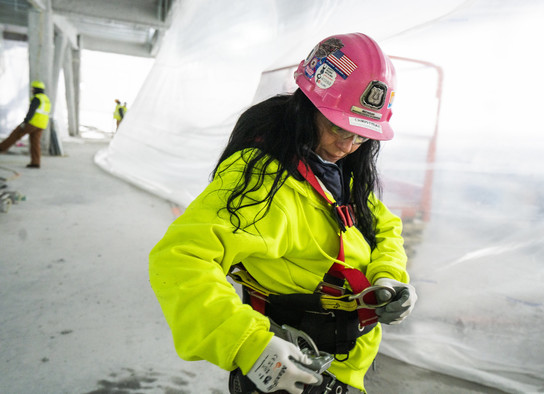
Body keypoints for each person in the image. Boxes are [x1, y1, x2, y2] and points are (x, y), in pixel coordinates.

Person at [149, 32, 417, 394]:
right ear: (307, 107)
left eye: (361, 135)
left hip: (346, 364)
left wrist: (389, 277)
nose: (349, 145)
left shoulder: (339, 172)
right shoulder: (262, 180)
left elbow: (383, 226)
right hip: (292, 369)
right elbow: (179, 259)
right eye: (339, 127)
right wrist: (248, 344)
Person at [0, 80, 51, 168]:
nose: (32, 90)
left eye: (33, 88)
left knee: (15, 135)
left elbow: (31, 111)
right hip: (41, 125)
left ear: (36, 89)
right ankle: (35, 163)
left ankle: (1, 148)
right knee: (35, 143)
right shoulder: (46, 99)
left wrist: (25, 122)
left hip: (33, 123)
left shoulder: (37, 98)